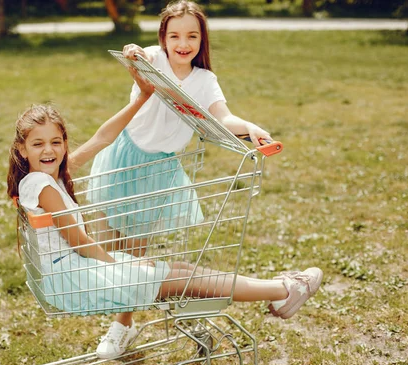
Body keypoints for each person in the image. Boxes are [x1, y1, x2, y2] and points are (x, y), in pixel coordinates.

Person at [7, 70, 324, 360]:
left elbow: (101, 139)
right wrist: (124, 264)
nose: (49, 150)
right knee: (186, 278)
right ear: (22, 149)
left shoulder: (50, 177)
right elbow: (79, 241)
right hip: (75, 279)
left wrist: (143, 97)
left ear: (63, 144)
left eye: (56, 142)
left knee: (184, 272)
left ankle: (282, 289)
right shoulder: (42, 185)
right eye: (38, 144)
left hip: (73, 274)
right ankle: (284, 289)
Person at [88, 0, 275, 259]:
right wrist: (135, 51)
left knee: (135, 255)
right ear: (164, 38)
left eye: (192, 36)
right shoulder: (155, 59)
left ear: (202, 39)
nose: (183, 44)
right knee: (105, 250)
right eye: (174, 36)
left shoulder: (205, 80)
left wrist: (250, 127)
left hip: (157, 171)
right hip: (122, 159)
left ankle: (130, 296)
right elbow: (144, 54)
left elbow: (223, 117)